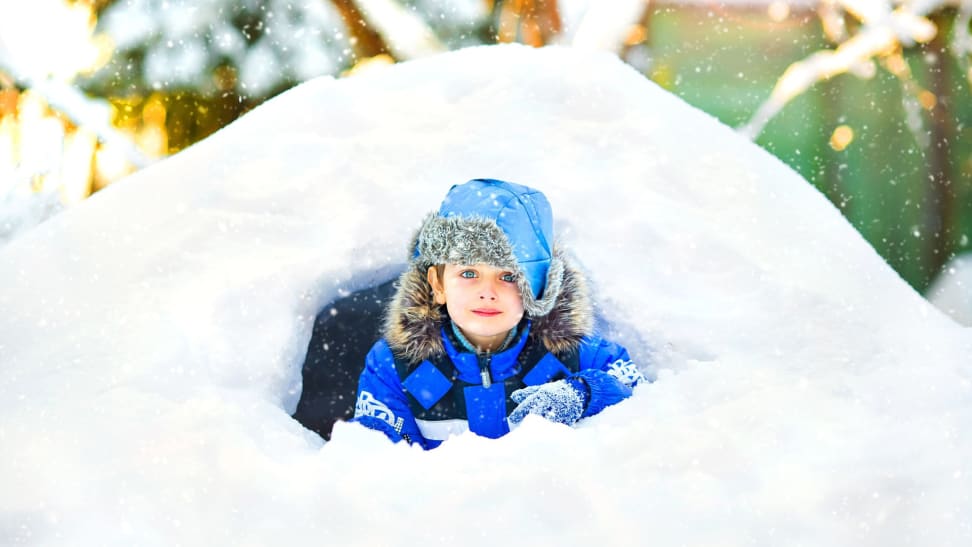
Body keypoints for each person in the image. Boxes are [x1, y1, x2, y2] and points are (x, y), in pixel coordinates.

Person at [351, 178, 645, 449]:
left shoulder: (576, 354)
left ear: (539, 287)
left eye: (508, 277)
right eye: (469, 273)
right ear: (437, 284)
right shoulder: (397, 366)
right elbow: (379, 462)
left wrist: (584, 393)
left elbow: (644, 401)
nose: (488, 291)